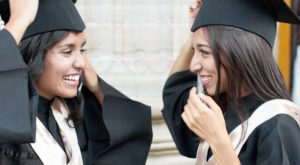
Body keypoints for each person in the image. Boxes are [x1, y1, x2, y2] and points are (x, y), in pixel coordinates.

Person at [0, 0, 152, 164]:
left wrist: (96, 86)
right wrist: (18, 21)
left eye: (82, 50)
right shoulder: (9, 124)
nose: (82, 63)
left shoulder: (72, 113)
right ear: (33, 54)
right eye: (67, 51)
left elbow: (130, 132)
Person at [162, 0, 300, 164]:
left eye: (204, 52)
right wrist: (196, 31)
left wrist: (217, 140)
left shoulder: (278, 125)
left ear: (239, 53)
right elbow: (175, 94)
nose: (193, 66)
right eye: (195, 50)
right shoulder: (224, 108)